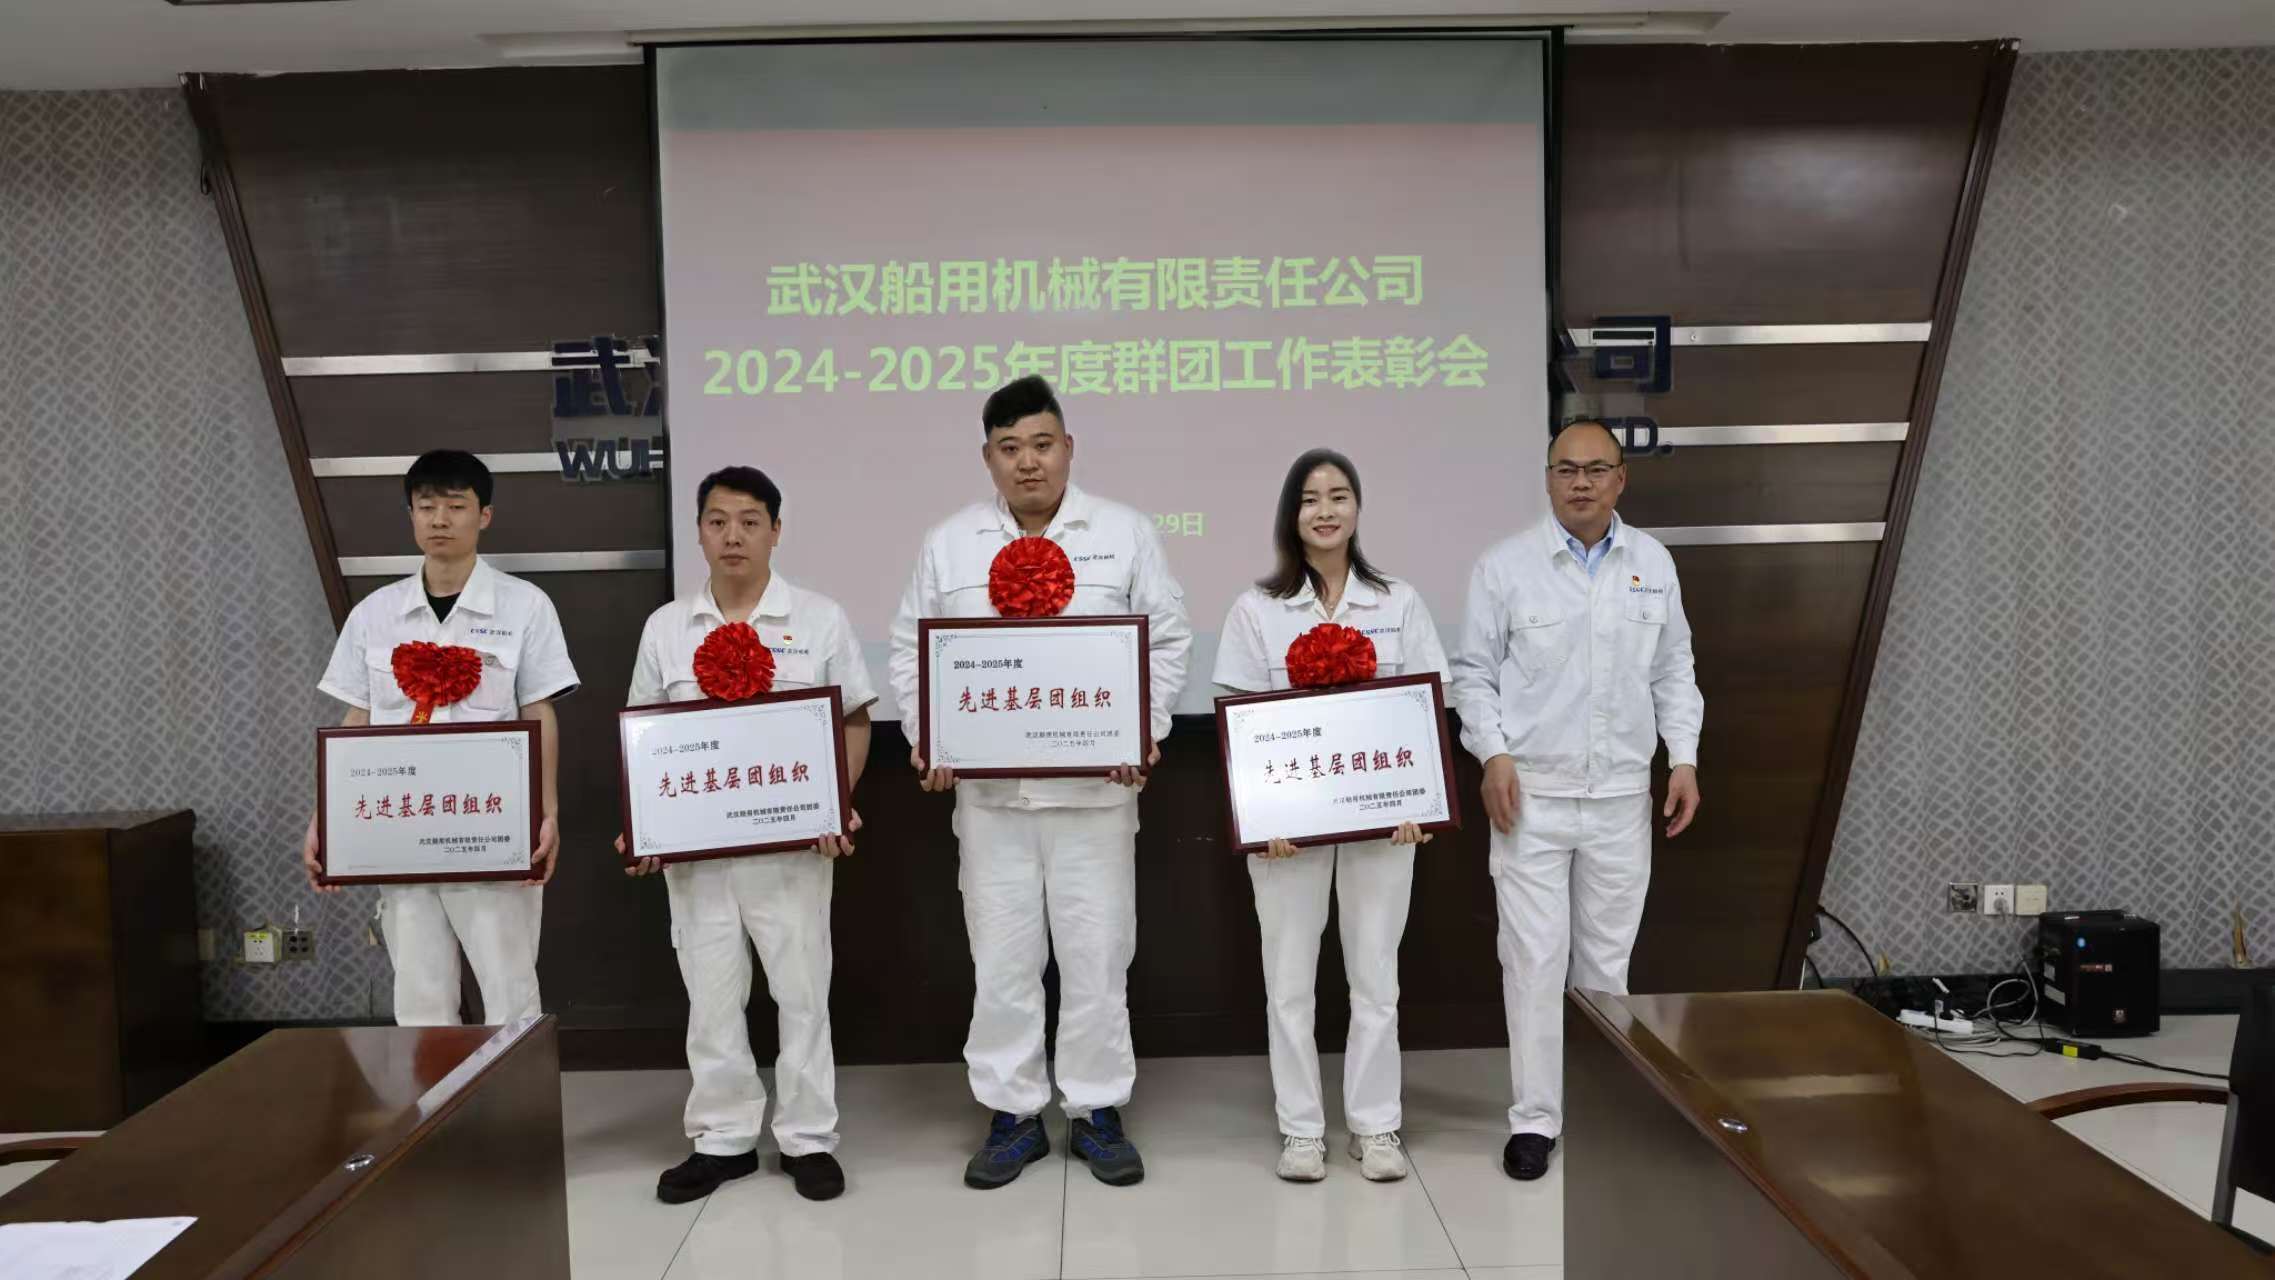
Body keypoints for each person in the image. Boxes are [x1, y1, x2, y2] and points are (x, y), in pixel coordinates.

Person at [888, 375, 1191, 1190]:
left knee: (1097, 955)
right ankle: (1012, 1113)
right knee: (1002, 960)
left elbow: (1166, 640)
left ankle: (1096, 1109)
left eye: (1042, 445)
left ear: (1068, 449)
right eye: (1010, 448)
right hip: (991, 802)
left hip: (1096, 795)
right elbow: (911, 651)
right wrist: (929, 739)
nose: (1028, 462)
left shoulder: (1124, 533)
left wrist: (1141, 731)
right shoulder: (949, 542)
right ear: (987, 457)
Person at [1449, 420, 1703, 1182]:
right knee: (1532, 961)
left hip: (1621, 797)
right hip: (1530, 797)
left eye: (1596, 469)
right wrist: (1491, 753)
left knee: (1604, 965)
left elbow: (1674, 669)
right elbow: (1472, 676)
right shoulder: (1503, 567)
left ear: (1621, 478)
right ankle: (1535, 1120)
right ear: (1547, 478)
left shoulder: (1652, 564)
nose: (1581, 482)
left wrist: (1683, 758)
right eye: (1566, 469)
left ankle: (1601, 1108)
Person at [618, 465, 873, 1205]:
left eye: (750, 521)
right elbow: (644, 734)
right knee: (710, 997)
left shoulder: (818, 618)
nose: (733, 535)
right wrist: (644, 826)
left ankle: (807, 1138)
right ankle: (723, 1138)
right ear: (698, 530)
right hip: (698, 858)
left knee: (802, 993)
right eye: (718, 521)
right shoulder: (666, 627)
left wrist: (835, 805)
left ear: (776, 531)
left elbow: (854, 720)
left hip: (792, 850)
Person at [1212, 449, 1448, 1184]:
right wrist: (1264, 817)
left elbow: (1426, 706)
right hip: (1287, 833)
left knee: (1375, 977)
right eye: (1310, 498)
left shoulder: (1398, 601)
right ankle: (1302, 1130)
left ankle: (1375, 1126)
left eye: (1339, 496)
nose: (1325, 510)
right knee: (1288, 982)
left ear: (1357, 508)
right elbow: (1238, 721)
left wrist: (1416, 804)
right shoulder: (1256, 608)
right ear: (1291, 514)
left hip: (1384, 826)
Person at [304, 449, 577, 1027]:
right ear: (410, 515)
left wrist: (547, 812)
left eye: (456, 506)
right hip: (404, 832)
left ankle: (513, 1091)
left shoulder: (525, 606)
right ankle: (436, 1092)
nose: (440, 520)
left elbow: (539, 710)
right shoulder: (375, 614)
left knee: (509, 989)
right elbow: (358, 718)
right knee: (420, 998)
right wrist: (326, 816)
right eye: (426, 507)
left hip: (492, 829)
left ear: (484, 515)